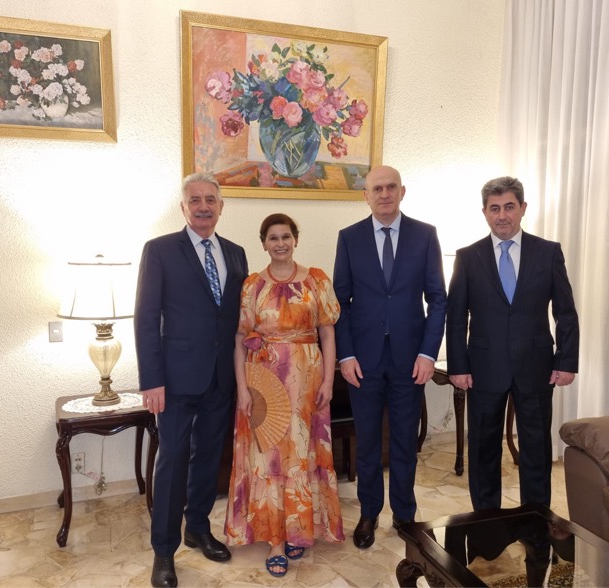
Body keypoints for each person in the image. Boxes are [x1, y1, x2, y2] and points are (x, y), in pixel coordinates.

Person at [135, 172, 248, 588]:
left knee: (208, 459)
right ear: (183, 208)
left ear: (221, 207)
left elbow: (236, 317)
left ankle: (198, 528)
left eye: (210, 200)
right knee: (172, 462)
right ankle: (164, 551)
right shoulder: (160, 250)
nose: (203, 206)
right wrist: (151, 380)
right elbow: (146, 317)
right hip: (175, 380)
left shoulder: (236, 254)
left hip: (220, 378)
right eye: (195, 200)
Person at [446, 176, 579, 511]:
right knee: (483, 447)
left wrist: (566, 361)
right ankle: (486, 520)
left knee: (536, 447)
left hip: (535, 366)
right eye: (494, 209)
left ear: (522, 208)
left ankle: (535, 519)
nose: (502, 215)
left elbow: (565, 312)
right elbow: (456, 317)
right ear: (484, 212)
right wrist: (458, 366)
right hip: (484, 367)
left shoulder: (548, 252)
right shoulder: (468, 257)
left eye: (509, 207)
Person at [333, 165, 447, 548]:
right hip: (363, 362)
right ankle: (369, 513)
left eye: (391, 187)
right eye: (377, 188)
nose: (384, 194)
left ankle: (404, 515)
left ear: (402, 191)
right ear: (365, 195)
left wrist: (428, 353)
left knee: (404, 442)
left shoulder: (424, 235)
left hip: (409, 361)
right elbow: (340, 303)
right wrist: (346, 355)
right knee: (367, 444)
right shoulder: (349, 238)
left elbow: (438, 299)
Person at [225, 213, 344, 577]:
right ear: (264, 243)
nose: (280, 243)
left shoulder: (317, 280)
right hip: (264, 383)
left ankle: (298, 529)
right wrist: (242, 388)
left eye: (286, 236)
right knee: (270, 459)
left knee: (302, 455)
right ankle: (276, 540)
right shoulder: (252, 286)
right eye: (273, 238)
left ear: (295, 239)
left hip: (308, 383)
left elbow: (328, 333)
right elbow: (240, 339)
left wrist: (328, 382)